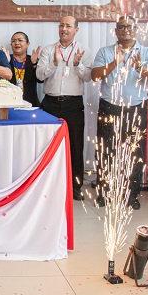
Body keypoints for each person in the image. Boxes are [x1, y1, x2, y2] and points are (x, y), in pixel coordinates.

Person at [91, 16, 148, 209]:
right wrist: (115, 62)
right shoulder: (105, 51)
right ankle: (104, 193)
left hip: (136, 108)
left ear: (135, 29)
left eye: (129, 26)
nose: (125, 30)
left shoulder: (146, 52)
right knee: (106, 152)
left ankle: (132, 195)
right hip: (109, 107)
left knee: (135, 152)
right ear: (116, 31)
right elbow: (95, 76)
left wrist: (140, 68)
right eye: (121, 27)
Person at [36, 16, 93, 201]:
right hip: (50, 103)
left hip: (73, 104)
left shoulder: (84, 50)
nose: (64, 28)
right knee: (47, 145)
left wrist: (77, 65)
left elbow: (88, 77)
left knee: (75, 145)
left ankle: (75, 187)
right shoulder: (48, 50)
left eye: (68, 26)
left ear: (76, 30)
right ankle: (47, 185)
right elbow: (39, 74)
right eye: (61, 25)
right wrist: (54, 62)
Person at [4, 32, 41, 107]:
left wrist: (34, 64)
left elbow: (41, 80)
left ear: (28, 44)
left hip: (30, 103)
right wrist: (6, 63)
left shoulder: (32, 59)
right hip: (10, 103)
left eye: (20, 40)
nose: (17, 43)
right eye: (14, 41)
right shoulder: (6, 59)